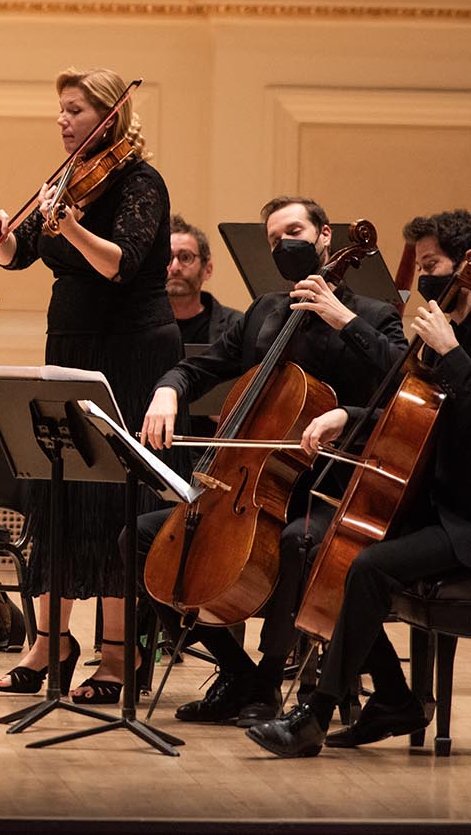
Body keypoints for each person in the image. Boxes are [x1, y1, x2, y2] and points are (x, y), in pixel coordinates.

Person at [135, 195, 406, 726]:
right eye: (275, 238)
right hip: (253, 485)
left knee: (295, 542)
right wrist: (168, 389)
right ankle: (238, 673)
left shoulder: (374, 314)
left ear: (327, 236)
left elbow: (404, 383)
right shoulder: (265, 310)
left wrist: (342, 318)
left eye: (296, 231)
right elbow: (201, 368)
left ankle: (269, 674)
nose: (286, 245)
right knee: (141, 537)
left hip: (334, 486)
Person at [0, 66, 176, 702]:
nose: (61, 121)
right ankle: (50, 645)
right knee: (57, 489)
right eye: (60, 110)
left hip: (130, 351)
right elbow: (20, 255)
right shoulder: (64, 181)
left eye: (74, 111)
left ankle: (117, 655)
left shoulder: (142, 182)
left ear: (109, 118)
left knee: (115, 499)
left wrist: (69, 227)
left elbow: (121, 263)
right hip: (69, 347)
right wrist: (3, 237)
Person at [248, 208, 471, 756]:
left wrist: (455, 356)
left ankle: (314, 717)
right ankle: (393, 697)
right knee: (329, 548)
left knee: (368, 566)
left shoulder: (455, 340)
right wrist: (350, 414)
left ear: (465, 265)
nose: (424, 277)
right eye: (420, 265)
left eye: (432, 263)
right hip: (438, 505)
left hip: (466, 518)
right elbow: (414, 408)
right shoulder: (452, 328)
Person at [168, 214, 244, 349]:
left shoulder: (236, 325)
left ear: (207, 270)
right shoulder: (138, 324)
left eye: (185, 257)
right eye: (167, 258)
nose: (175, 268)